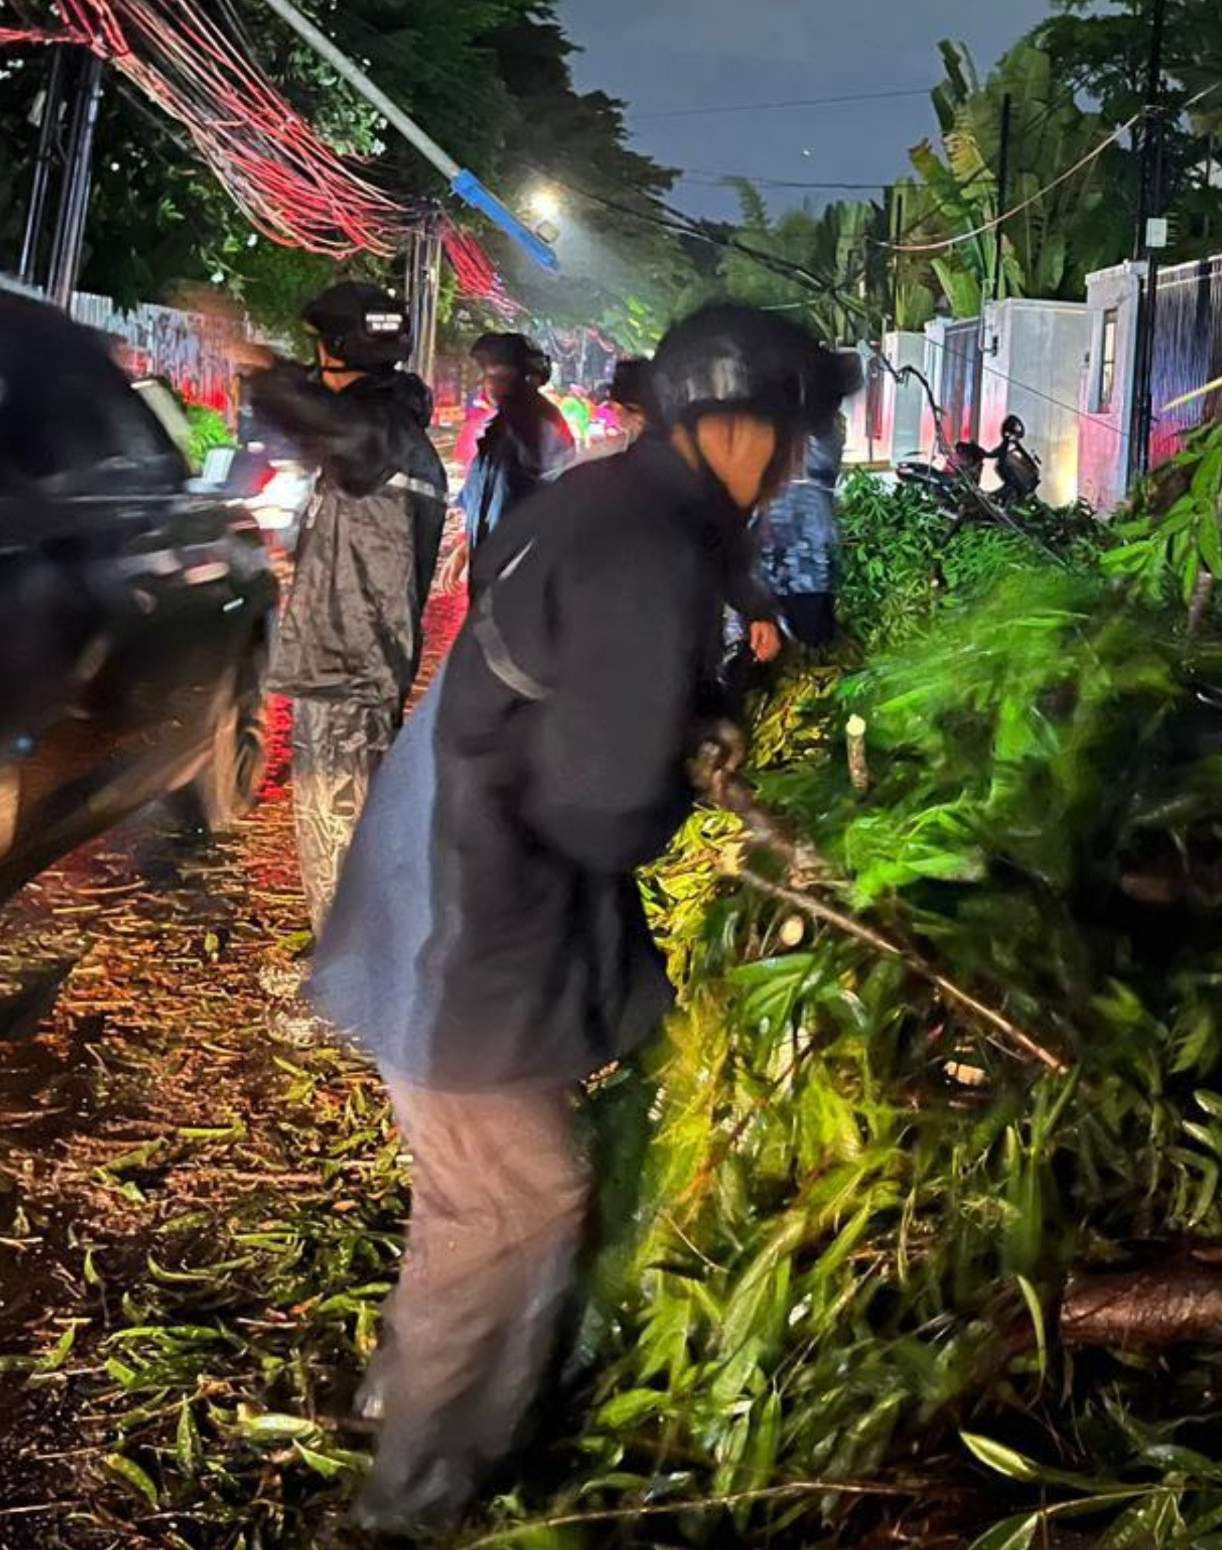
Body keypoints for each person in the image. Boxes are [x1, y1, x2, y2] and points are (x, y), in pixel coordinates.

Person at [307, 303, 857, 1537]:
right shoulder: (644, 547)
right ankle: (414, 1499)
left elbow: (592, 690)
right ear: (728, 426)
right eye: (780, 434)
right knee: (509, 1202)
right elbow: (608, 813)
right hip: (470, 900)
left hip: (453, 853)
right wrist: (672, 762)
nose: (786, 462)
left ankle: (402, 1399)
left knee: (483, 1186)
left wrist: (692, 708)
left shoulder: (626, 504)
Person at [243, 282, 448, 950]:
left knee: (343, 838)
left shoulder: (378, 435)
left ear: (336, 351)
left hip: (351, 670)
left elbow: (317, 418)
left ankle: (352, 996)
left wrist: (264, 373)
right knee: (341, 832)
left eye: (319, 350)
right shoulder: (392, 420)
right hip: (351, 664)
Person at [456, 331, 574, 566]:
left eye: (494, 373)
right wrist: (465, 546)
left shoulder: (538, 427)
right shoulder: (500, 429)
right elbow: (482, 497)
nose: (485, 383)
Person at [753, 414, 844, 649]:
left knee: (810, 642)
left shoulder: (821, 433)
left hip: (808, 567)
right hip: (782, 564)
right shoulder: (762, 433)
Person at [985, 413, 1042, 505]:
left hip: (1017, 481)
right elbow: (994, 454)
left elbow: (1025, 455)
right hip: (1011, 478)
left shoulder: (1013, 444)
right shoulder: (1006, 445)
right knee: (1012, 489)